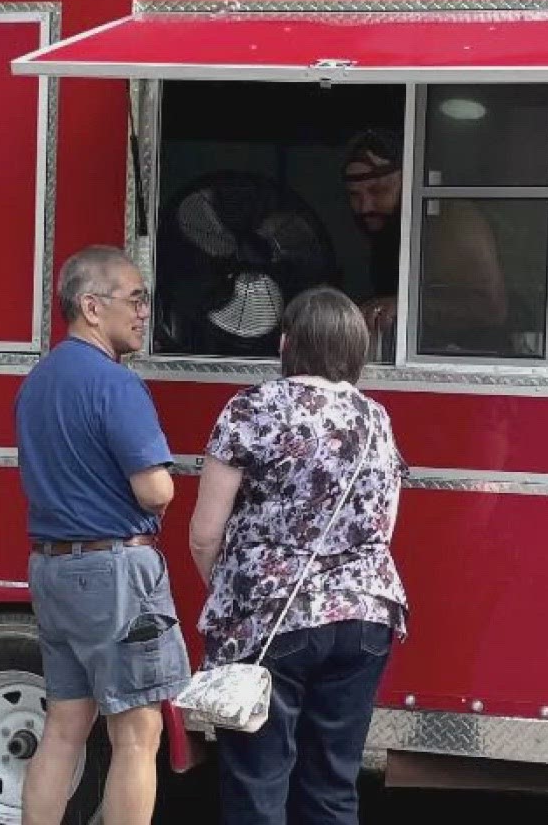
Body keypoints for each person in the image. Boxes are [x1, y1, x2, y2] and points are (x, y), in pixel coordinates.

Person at [186, 287, 409, 825]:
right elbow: (384, 526)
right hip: (366, 615)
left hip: (271, 616)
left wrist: (231, 590)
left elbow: (204, 532)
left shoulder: (252, 407)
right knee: (333, 782)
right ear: (357, 350)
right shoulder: (376, 418)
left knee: (258, 781)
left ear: (286, 344)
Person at [16, 246, 192, 825]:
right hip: (114, 572)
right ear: (92, 306)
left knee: (64, 728)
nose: (144, 312)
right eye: (135, 298)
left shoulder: (38, 382)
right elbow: (155, 491)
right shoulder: (116, 386)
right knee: (138, 734)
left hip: (51, 568)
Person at [341, 128, 509, 356]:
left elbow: (490, 309)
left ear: (410, 182)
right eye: (354, 195)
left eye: (379, 190)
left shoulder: (455, 221)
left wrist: (406, 306)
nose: (365, 207)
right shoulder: (389, 230)